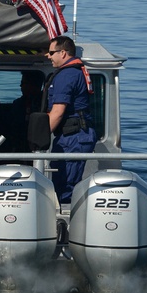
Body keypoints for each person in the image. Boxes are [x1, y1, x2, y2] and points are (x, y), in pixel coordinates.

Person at [45, 35, 96, 203]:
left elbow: (58, 111)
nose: (49, 56)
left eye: (52, 52)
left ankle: (64, 225)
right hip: (71, 136)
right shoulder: (71, 73)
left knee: (65, 188)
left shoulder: (67, 76)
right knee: (61, 183)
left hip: (74, 138)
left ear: (63, 53)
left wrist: (40, 140)